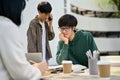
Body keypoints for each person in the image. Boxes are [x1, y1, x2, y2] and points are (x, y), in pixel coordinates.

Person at [0, 0, 48, 80]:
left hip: (42, 57)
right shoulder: (7, 27)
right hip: (37, 58)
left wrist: (50, 25)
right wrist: (37, 69)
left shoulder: (45, 24)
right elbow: (22, 74)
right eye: (45, 14)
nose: (47, 16)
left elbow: (50, 37)